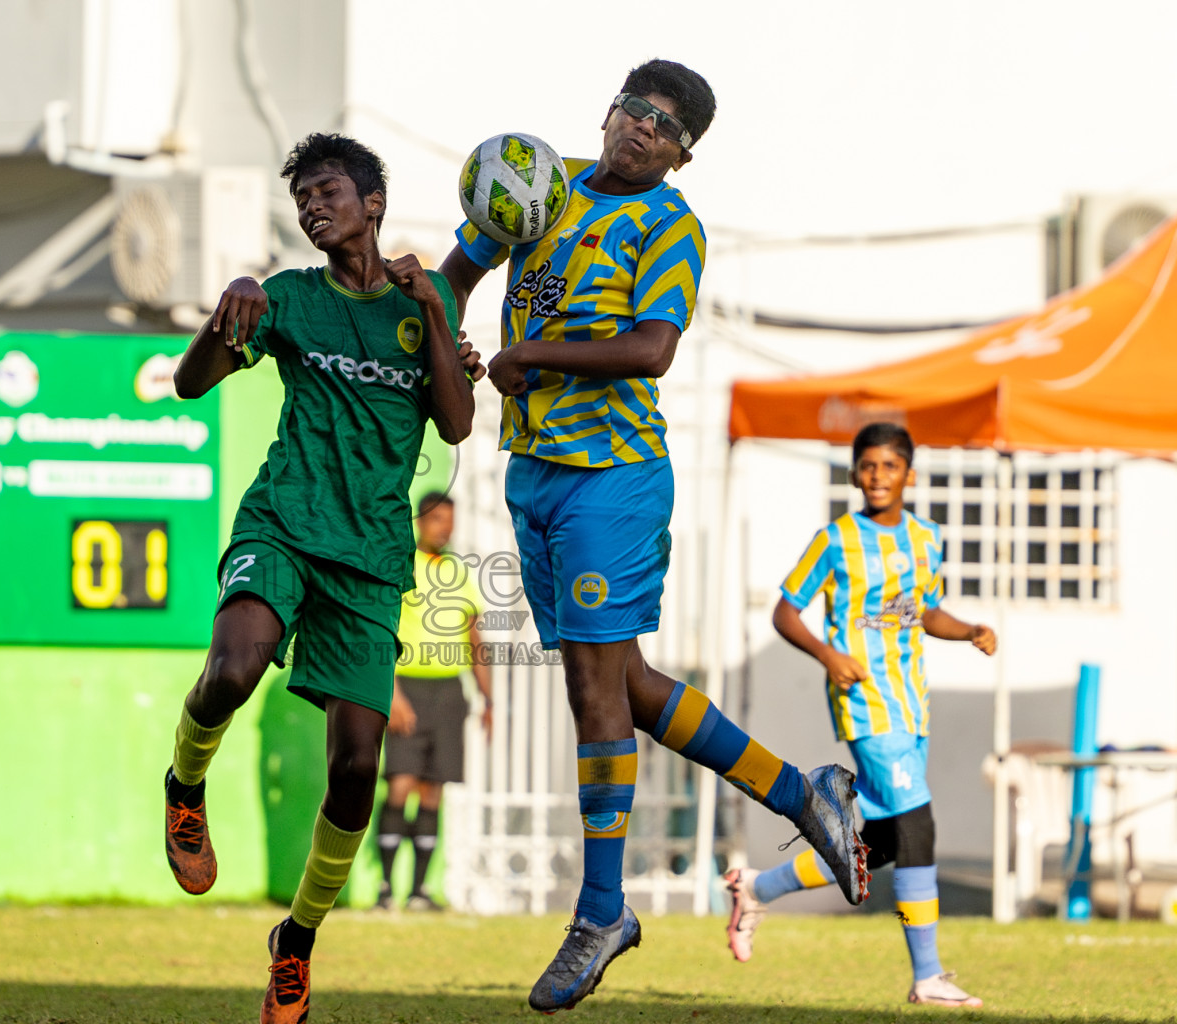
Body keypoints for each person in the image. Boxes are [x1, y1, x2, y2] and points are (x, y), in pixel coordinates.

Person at [438, 59, 867, 1013]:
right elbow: (456, 272)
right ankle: (803, 794)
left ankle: (601, 912)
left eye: (668, 129)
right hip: (536, 476)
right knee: (620, 686)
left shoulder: (669, 226)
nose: (644, 130)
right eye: (636, 110)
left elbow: (651, 351)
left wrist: (528, 353)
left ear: (683, 157)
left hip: (615, 477)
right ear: (609, 110)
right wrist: (422, 310)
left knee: (597, 694)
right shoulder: (536, 187)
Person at [161, 132, 476, 1024]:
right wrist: (227, 310)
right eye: (302, 197)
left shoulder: (425, 306)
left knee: (355, 773)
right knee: (232, 670)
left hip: (372, 561)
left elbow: (454, 425)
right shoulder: (288, 298)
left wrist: (441, 322)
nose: (312, 206)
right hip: (285, 524)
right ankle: (186, 789)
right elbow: (191, 385)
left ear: (373, 202)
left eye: (327, 189)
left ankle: (294, 943)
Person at [723, 422, 998, 1009]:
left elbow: (921, 612)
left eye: (890, 466)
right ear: (854, 475)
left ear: (909, 475)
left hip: (911, 701)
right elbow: (785, 612)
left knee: (886, 839)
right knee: (919, 825)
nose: (878, 477)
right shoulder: (836, 540)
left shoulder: (926, 538)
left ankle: (757, 888)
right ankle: (928, 977)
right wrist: (828, 654)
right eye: (868, 467)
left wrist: (969, 629)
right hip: (865, 702)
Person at [375, 491, 492, 912]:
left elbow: (473, 636)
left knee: (432, 791)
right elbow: (382, 633)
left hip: (448, 692)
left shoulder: (458, 572)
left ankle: (420, 891)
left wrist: (488, 698)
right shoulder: (400, 565)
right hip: (407, 686)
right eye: (438, 519)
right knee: (400, 785)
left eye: (451, 520)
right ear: (420, 522)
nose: (446, 527)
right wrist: (392, 694)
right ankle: (386, 888)